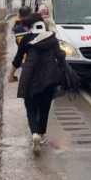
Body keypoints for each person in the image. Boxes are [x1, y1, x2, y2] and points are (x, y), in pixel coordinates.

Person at [8, 13, 66, 155]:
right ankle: (41, 135)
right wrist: (62, 51)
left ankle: (34, 134)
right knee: (44, 109)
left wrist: (11, 74)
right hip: (49, 79)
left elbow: (17, 59)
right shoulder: (51, 38)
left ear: (29, 26)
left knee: (31, 108)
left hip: (31, 79)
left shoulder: (26, 39)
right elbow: (60, 56)